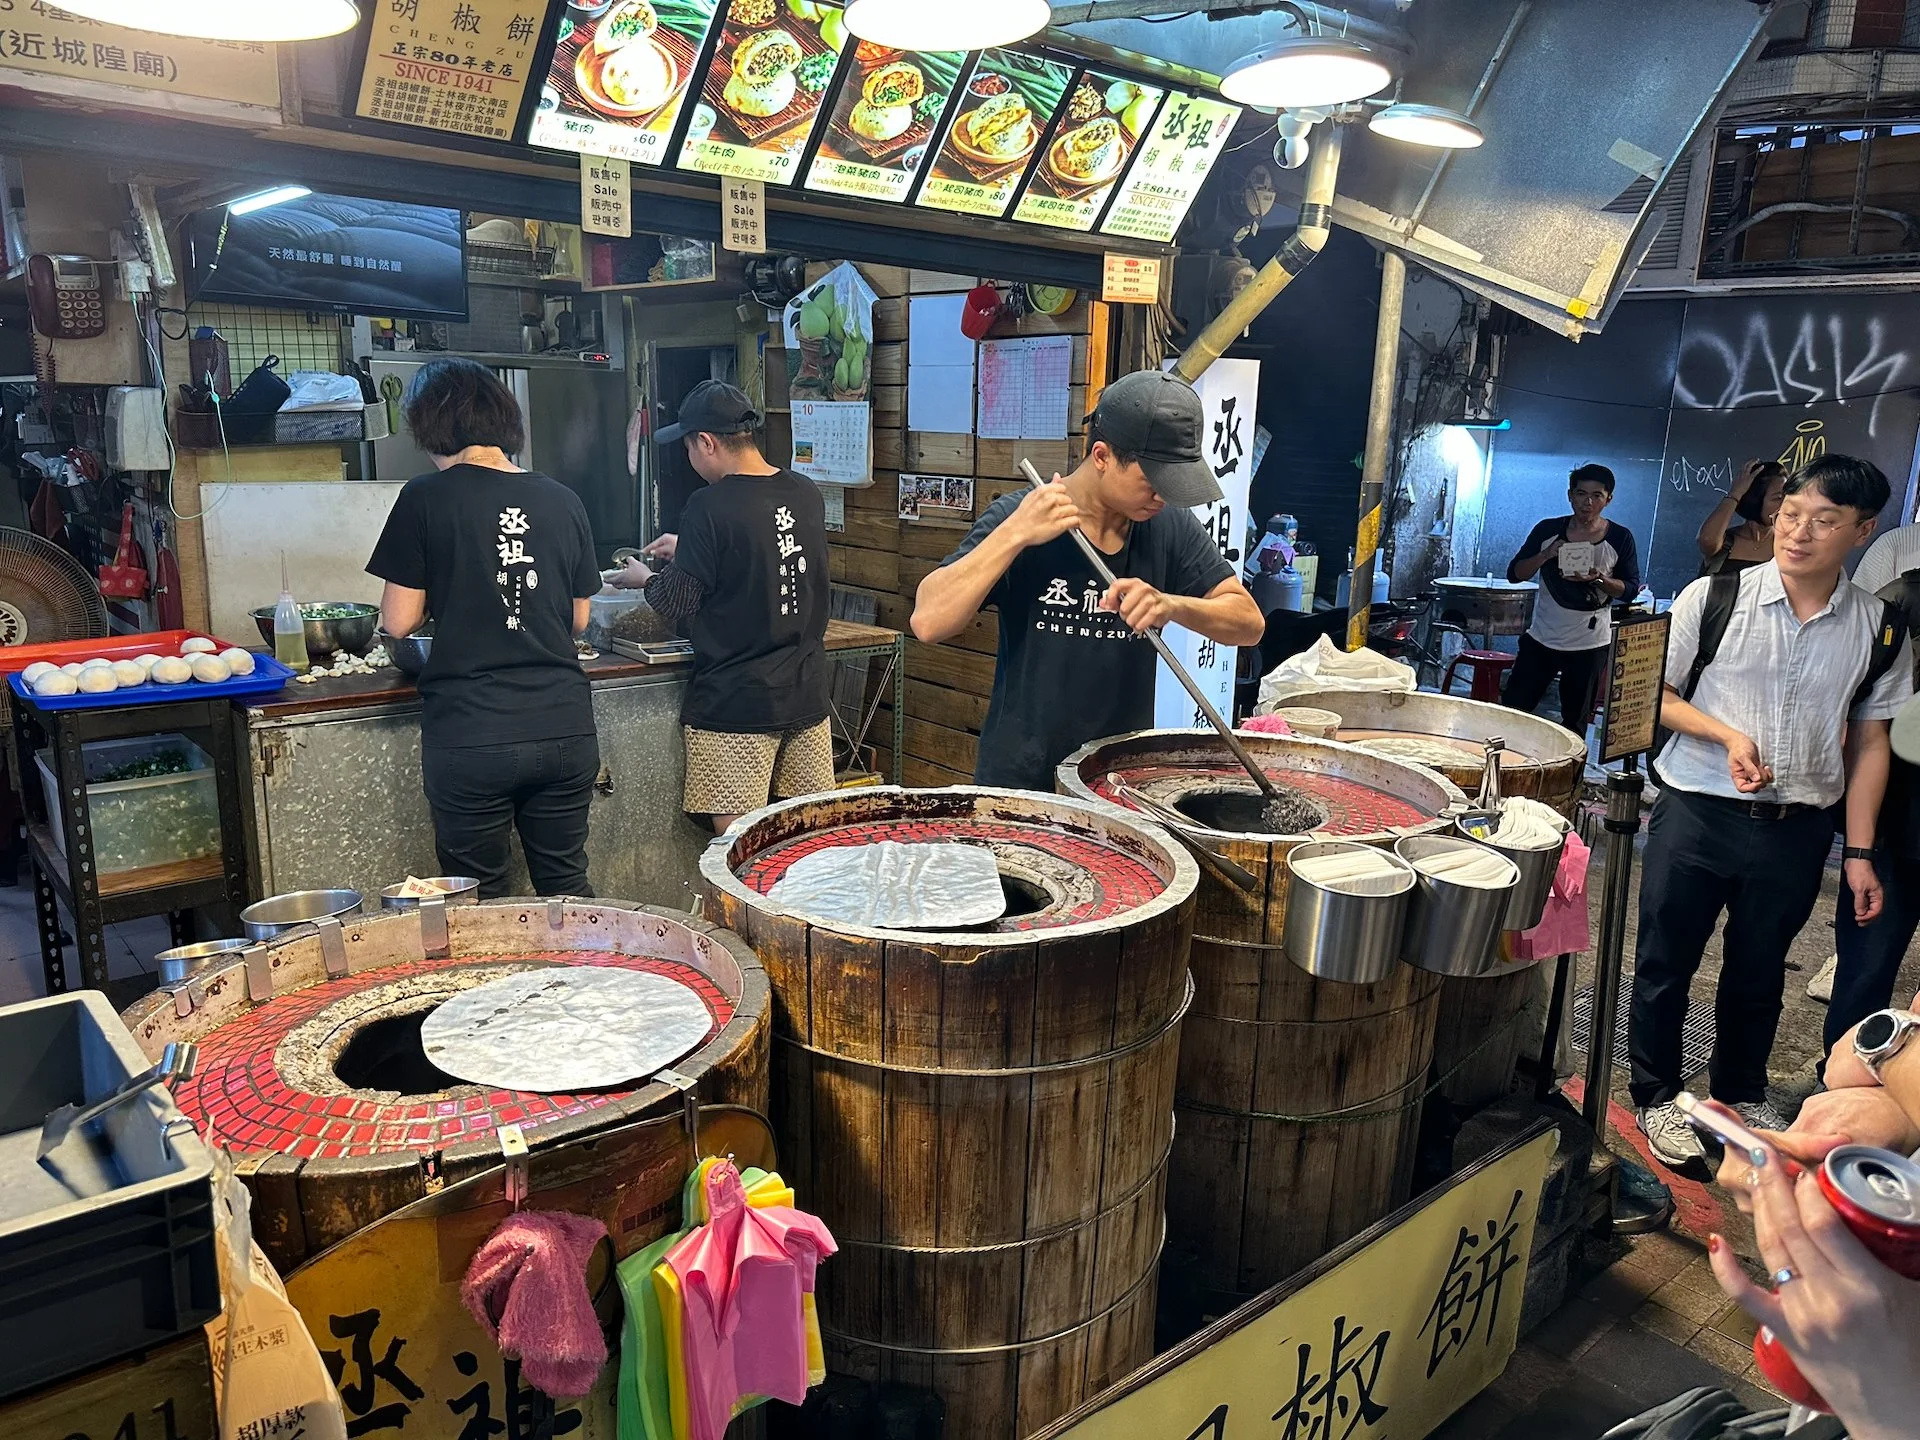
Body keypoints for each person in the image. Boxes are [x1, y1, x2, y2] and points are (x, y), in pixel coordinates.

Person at [1628, 455, 1910, 1169]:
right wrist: (1725, 734)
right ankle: (1657, 1094)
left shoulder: (1879, 629)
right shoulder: (1713, 597)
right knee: (1666, 962)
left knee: (1760, 970)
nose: (1799, 531)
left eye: (1823, 520)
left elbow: (1871, 741)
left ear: (1862, 530)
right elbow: (1650, 696)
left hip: (1797, 829)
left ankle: (1741, 1090)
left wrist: (1859, 852)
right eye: (1791, 513)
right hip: (1695, 812)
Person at [910, 369, 1264, 791]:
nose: (1163, 497)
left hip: (1118, 780)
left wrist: (1173, 604)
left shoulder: (1169, 526)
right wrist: (1015, 533)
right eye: (1152, 482)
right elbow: (928, 622)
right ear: (1102, 456)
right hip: (1023, 782)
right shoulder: (1019, 517)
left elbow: (1249, 623)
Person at [367, 357, 604, 899]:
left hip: (472, 735)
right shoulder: (563, 499)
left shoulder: (424, 496)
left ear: (432, 425)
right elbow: (579, 618)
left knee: (481, 903)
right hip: (564, 727)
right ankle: (590, 983)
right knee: (566, 888)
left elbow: (398, 621)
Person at [613, 380, 830, 833]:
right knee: (807, 846)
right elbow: (763, 557)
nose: (690, 460)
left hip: (737, 705)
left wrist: (645, 577)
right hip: (806, 698)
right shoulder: (805, 491)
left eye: (689, 447)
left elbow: (675, 600)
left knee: (737, 853)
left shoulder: (709, 505)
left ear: (706, 442)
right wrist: (690, 549)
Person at [1818, 517, 1920, 1065]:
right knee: (1865, 971)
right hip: (1896, 821)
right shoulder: (1902, 600)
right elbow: (1864, 717)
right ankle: (1839, 1082)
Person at [1502, 463, 1641, 734]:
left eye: (1596, 495)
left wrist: (1598, 579)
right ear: (1570, 495)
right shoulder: (1548, 530)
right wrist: (1545, 555)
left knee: (1575, 722)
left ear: (1608, 499)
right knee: (1513, 711)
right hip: (1542, 637)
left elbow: (1630, 590)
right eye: (1580, 493)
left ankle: (1571, 776)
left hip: (1589, 645)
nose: (1587, 502)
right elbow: (1514, 574)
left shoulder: (1620, 537)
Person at [1696, 459, 1786, 578]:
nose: (1785, 504)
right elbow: (1707, 540)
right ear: (1755, 500)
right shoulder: (1726, 543)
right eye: (1778, 498)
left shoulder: (1786, 545)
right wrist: (1735, 494)